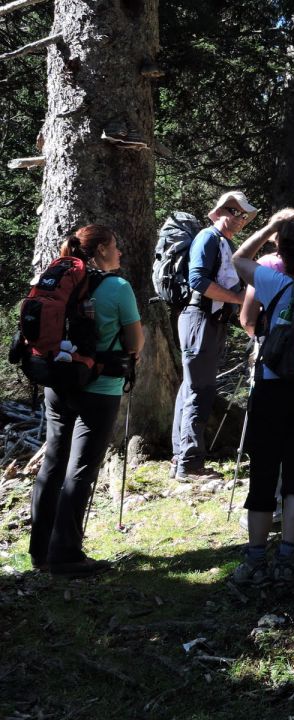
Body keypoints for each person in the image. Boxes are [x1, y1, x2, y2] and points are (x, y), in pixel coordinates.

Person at [30, 225, 144, 578]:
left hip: (58, 381)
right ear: (99, 252)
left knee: (53, 460)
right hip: (100, 387)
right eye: (114, 247)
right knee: (80, 468)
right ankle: (66, 555)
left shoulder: (57, 282)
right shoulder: (118, 288)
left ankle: (40, 551)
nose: (120, 253)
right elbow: (134, 342)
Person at [230, 210, 294, 586]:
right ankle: (287, 558)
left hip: (274, 388)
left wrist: (270, 227)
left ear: (282, 250)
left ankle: (255, 559)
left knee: (264, 473)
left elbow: (238, 259)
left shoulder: (274, 280)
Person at [171, 191, 256, 482]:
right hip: (200, 320)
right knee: (200, 390)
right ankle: (190, 463)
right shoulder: (208, 238)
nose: (241, 219)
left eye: (243, 215)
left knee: (191, 388)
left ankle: (181, 457)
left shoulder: (222, 242)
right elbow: (198, 281)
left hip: (209, 321)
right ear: (222, 212)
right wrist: (236, 298)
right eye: (237, 213)